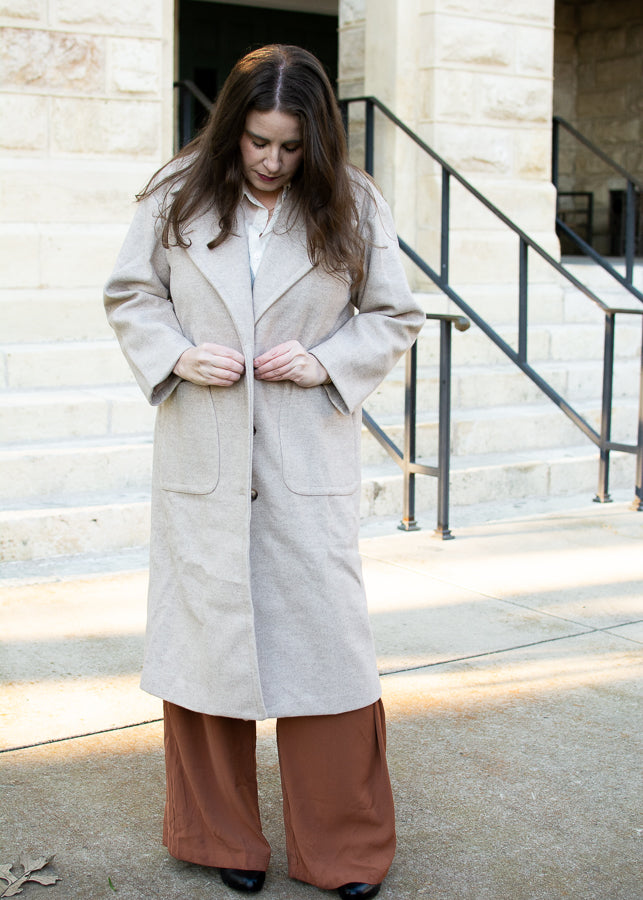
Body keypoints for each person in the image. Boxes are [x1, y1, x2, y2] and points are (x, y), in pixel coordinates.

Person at [104, 44, 424, 899]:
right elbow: (131, 294)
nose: (272, 162)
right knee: (204, 652)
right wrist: (175, 355)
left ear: (314, 139)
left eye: (289, 146)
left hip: (301, 455)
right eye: (256, 142)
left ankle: (345, 852)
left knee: (328, 656)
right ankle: (219, 838)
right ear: (230, 131)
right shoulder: (176, 191)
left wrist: (326, 362)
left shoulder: (352, 203)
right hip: (202, 455)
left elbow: (394, 314)